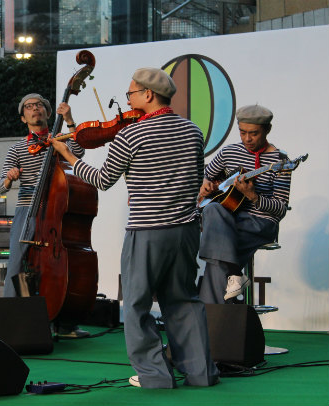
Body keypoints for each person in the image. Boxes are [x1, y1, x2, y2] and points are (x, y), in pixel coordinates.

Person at [51, 68, 219, 388]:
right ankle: (201, 372)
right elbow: (197, 181)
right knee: (184, 300)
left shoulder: (131, 135)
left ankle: (155, 376)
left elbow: (101, 179)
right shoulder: (193, 131)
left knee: (138, 305)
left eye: (131, 94)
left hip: (147, 230)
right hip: (185, 230)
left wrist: (68, 156)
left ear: (148, 95)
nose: (128, 100)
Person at [0, 93, 89, 338]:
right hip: (27, 210)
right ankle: (10, 322)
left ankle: (64, 320)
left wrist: (69, 119)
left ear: (48, 113)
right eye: (29, 106)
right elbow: (0, 186)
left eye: (39, 105)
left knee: (61, 266)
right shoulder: (18, 148)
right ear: (22, 117)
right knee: (17, 263)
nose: (35, 109)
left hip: (57, 213)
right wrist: (9, 177)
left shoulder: (60, 139)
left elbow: (79, 151)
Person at [198, 105, 290, 304]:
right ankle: (234, 277)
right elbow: (205, 175)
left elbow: (280, 209)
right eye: (242, 132)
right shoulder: (229, 152)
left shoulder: (280, 161)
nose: (247, 139)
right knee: (213, 208)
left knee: (217, 251)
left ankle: (211, 320)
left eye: (254, 133)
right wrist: (204, 183)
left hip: (260, 223)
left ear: (267, 130)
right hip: (229, 219)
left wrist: (253, 197)